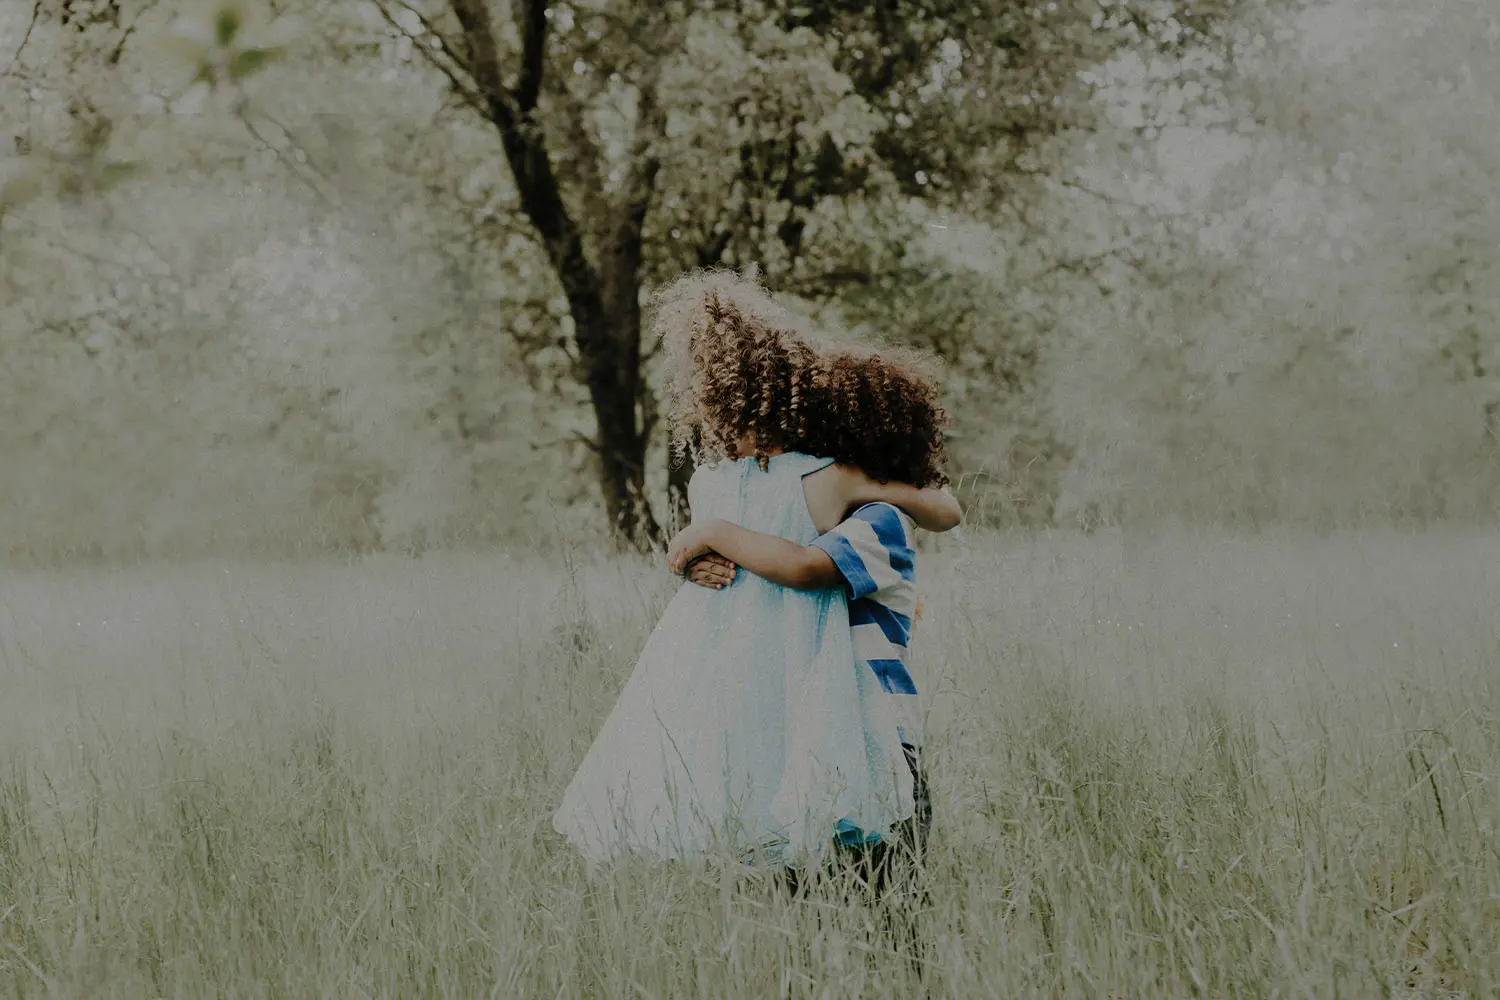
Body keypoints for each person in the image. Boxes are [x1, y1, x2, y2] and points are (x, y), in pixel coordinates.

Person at [551, 271, 952, 869]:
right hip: (861, 728)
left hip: (789, 724)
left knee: (817, 877)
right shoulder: (844, 490)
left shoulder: (727, 493)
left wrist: (706, 536)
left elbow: (802, 564)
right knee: (878, 882)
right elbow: (929, 512)